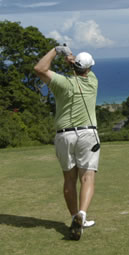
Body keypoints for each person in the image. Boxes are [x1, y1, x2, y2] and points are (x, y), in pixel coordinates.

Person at [33, 46, 100, 240]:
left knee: (69, 179)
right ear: (88, 68)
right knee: (87, 177)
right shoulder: (93, 81)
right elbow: (81, 70)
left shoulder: (61, 83)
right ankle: (82, 215)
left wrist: (56, 50)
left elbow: (40, 68)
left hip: (64, 135)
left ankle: (74, 217)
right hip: (88, 134)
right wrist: (71, 61)